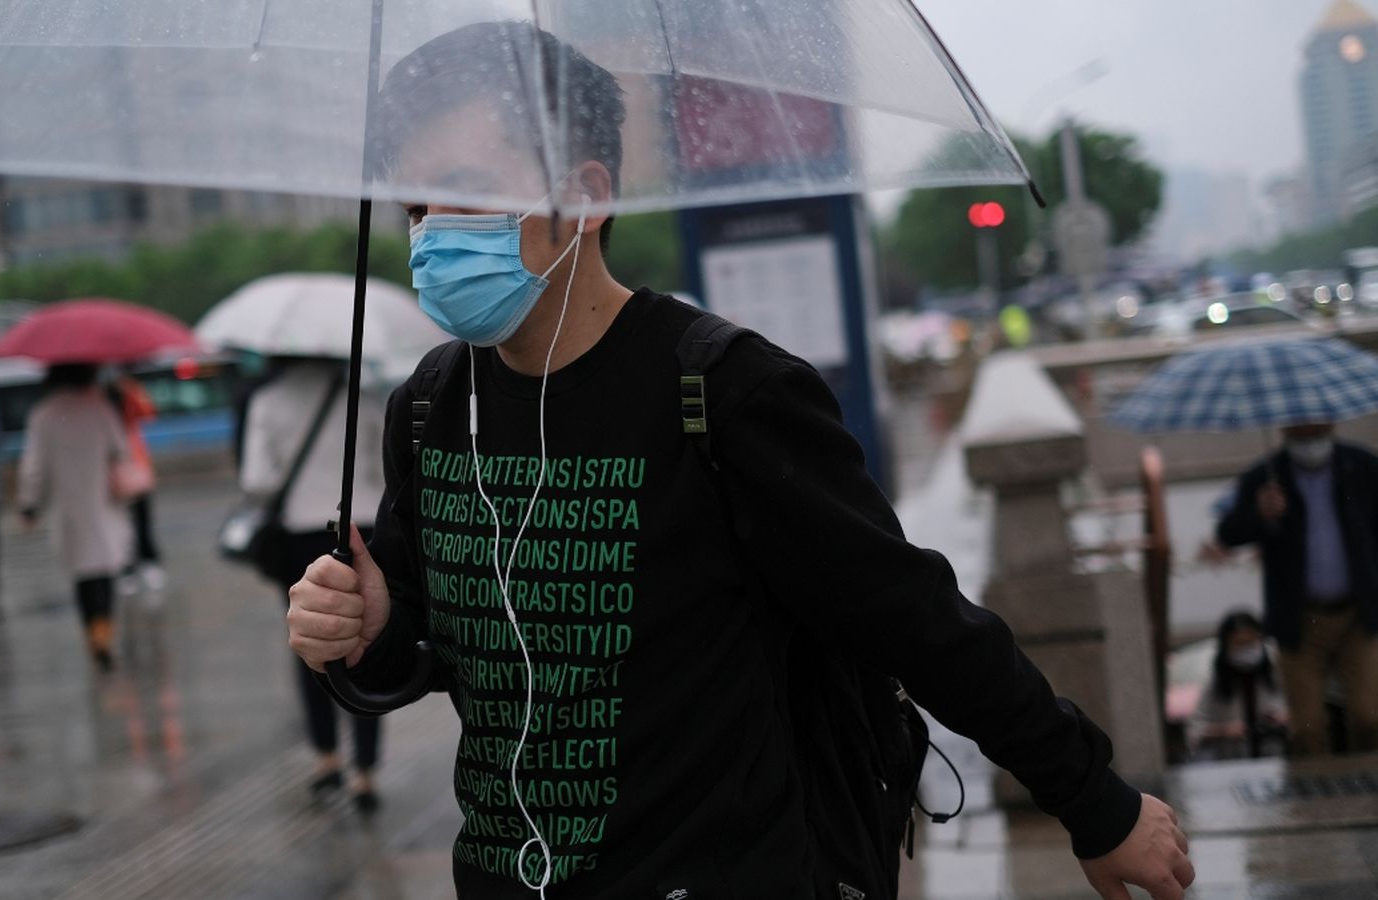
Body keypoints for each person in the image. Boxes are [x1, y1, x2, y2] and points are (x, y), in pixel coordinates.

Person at [287, 22, 1192, 899]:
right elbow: (436, 648)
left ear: (588, 196)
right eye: (416, 205)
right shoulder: (430, 407)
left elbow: (915, 618)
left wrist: (1094, 801)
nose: (435, 234)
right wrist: (368, 629)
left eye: (469, 192)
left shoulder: (723, 392)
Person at [240, 357, 385, 811]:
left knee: (312, 643)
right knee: (368, 647)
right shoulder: (363, 397)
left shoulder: (267, 401)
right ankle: (364, 771)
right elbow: (385, 470)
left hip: (301, 533)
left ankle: (326, 759)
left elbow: (255, 481)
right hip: (363, 528)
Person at [1216, 422, 1378, 755]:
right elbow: (1228, 532)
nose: (1309, 443)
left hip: (1357, 615)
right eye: (1300, 435)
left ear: (1330, 425)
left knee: (1369, 716)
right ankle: (1317, 799)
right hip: (1300, 621)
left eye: (1316, 433)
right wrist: (1259, 514)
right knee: (1308, 727)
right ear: (1285, 433)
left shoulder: (1361, 466)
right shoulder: (1266, 476)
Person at [19, 363, 133, 672]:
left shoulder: (43, 415)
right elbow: (121, 451)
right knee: (105, 574)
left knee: (83, 577)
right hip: (102, 503)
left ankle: (92, 637)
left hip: (67, 509)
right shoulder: (100, 409)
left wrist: (29, 505)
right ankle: (103, 633)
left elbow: (34, 468)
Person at [1186, 611, 1289, 760]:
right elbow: (1194, 730)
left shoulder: (1276, 675)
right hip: (1232, 763)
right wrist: (1225, 731)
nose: (1247, 649)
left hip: (1274, 759)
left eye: (1251, 642)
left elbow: (1301, 717)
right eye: (1240, 644)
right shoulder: (1216, 685)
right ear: (1226, 646)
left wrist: (1283, 720)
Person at [107, 370, 165, 593]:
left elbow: (148, 411)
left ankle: (149, 562)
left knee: (142, 517)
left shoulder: (128, 391)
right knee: (120, 523)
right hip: (112, 470)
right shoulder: (98, 399)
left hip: (135, 467)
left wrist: (129, 388)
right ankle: (126, 567)